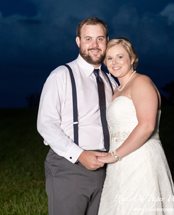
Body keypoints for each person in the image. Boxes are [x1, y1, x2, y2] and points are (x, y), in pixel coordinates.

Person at [37, 17, 116, 215]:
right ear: (78, 42)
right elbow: (46, 124)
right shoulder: (61, 75)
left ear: (107, 41)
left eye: (100, 39)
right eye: (88, 39)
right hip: (70, 166)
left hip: (107, 170)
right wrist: (79, 154)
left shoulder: (111, 81)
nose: (94, 45)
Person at [97, 38, 174, 214]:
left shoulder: (141, 82)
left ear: (132, 58)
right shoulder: (117, 90)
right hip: (120, 164)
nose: (114, 62)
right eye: (109, 58)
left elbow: (147, 126)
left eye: (120, 56)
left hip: (140, 159)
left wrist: (114, 155)